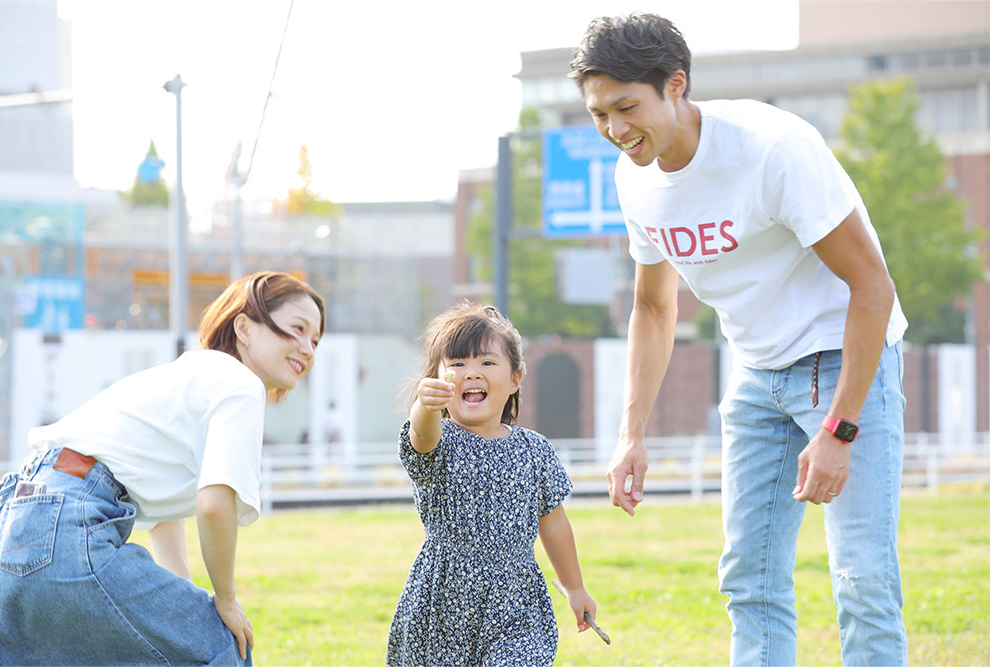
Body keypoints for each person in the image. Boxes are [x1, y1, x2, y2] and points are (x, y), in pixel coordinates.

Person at [570, 13, 909, 666]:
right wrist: (631, 432)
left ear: (676, 85)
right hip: (757, 372)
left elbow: (873, 287)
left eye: (626, 107)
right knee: (748, 578)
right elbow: (652, 303)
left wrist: (841, 428)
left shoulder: (771, 148)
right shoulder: (634, 177)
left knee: (862, 573)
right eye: (598, 114)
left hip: (843, 362)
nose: (615, 131)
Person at [0, 271, 324, 665]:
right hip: (68, 524)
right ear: (244, 327)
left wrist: (184, 600)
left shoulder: (187, 376)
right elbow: (215, 506)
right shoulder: (240, 383)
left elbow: (163, 519)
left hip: (10, 523)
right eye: (297, 329)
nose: (307, 348)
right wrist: (226, 601)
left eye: (316, 340)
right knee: (224, 646)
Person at [386, 302, 597, 666]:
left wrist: (574, 587)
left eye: (486, 363)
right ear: (437, 380)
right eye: (457, 364)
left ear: (515, 378)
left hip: (516, 601)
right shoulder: (441, 444)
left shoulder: (534, 450)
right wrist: (424, 405)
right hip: (444, 605)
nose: (471, 373)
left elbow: (555, 521)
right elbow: (421, 435)